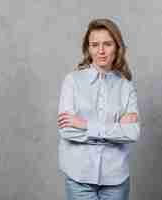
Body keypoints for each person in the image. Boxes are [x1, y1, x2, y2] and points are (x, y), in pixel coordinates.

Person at [57, 18, 140, 200]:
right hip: (79, 177)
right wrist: (115, 131)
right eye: (95, 45)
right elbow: (67, 131)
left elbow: (132, 133)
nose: (101, 51)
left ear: (117, 47)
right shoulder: (72, 81)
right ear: (88, 48)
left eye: (107, 44)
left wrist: (85, 125)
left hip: (116, 179)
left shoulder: (126, 87)